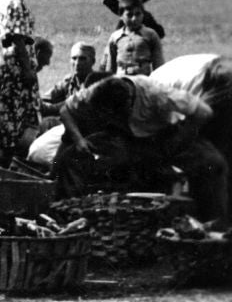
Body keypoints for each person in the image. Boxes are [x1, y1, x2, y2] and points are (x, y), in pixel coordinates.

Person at [54, 75, 227, 225]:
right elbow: (65, 111)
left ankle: (211, 226)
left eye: (118, 113)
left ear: (130, 102)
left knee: (211, 163)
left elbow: (204, 112)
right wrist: (79, 140)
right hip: (124, 137)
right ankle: (68, 216)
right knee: (72, 158)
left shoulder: (156, 94)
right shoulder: (96, 91)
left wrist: (180, 139)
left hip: (165, 135)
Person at [0, 0, 41, 163]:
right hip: (17, 67)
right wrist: (27, 69)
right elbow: (18, 38)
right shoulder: (15, 2)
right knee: (20, 116)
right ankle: (17, 158)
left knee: (10, 113)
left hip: (10, 63)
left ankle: (9, 156)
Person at [40, 41, 101, 117]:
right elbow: (44, 99)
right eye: (74, 58)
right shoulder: (69, 82)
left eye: (82, 59)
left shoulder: (99, 84)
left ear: (93, 61)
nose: (77, 63)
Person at [102, 1, 164, 76]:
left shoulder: (150, 35)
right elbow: (111, 66)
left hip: (143, 79)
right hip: (121, 79)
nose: (134, 19)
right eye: (129, 15)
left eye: (138, 14)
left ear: (143, 15)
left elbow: (158, 64)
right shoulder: (115, 37)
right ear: (121, 16)